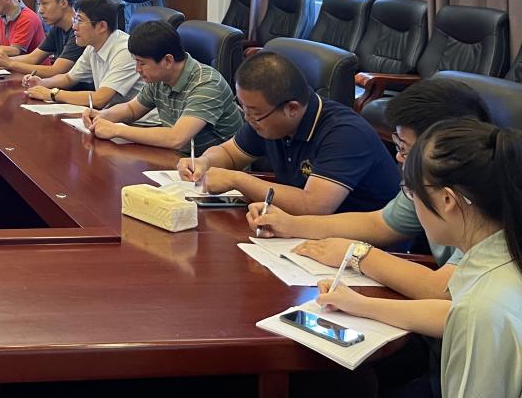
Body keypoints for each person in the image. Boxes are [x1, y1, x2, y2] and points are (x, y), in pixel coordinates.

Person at [261, 80, 489, 398]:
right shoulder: (433, 183)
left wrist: (359, 255)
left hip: (461, 362)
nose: (399, 158)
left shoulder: (489, 212)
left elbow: (448, 292)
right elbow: (380, 222)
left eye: (405, 148)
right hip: (443, 339)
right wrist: (292, 224)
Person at [315, 119, 522, 398]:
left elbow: (473, 317)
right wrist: (360, 304)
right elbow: (453, 314)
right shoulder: (502, 253)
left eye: (412, 193)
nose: (412, 203)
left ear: (448, 200)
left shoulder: (482, 308)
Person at [179, 51, 398, 214]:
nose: (247, 119)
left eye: (254, 113)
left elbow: (314, 206)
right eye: (244, 109)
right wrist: (204, 162)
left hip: (364, 247)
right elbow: (230, 154)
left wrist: (238, 180)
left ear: (291, 108)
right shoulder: (268, 118)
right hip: (302, 231)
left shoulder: (345, 134)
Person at [81, 20, 242, 152]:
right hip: (180, 159)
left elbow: (177, 138)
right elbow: (132, 109)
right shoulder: (160, 77)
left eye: (142, 63)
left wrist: (116, 130)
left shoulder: (207, 84)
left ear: (168, 61)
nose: (137, 69)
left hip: (217, 169)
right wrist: (102, 115)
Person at [23, 0, 143, 109]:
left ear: (101, 26)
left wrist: (52, 94)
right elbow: (69, 78)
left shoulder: (125, 51)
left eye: (79, 21)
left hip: (139, 121)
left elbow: (100, 99)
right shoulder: (93, 46)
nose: (74, 27)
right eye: (74, 20)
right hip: (111, 114)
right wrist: (42, 82)